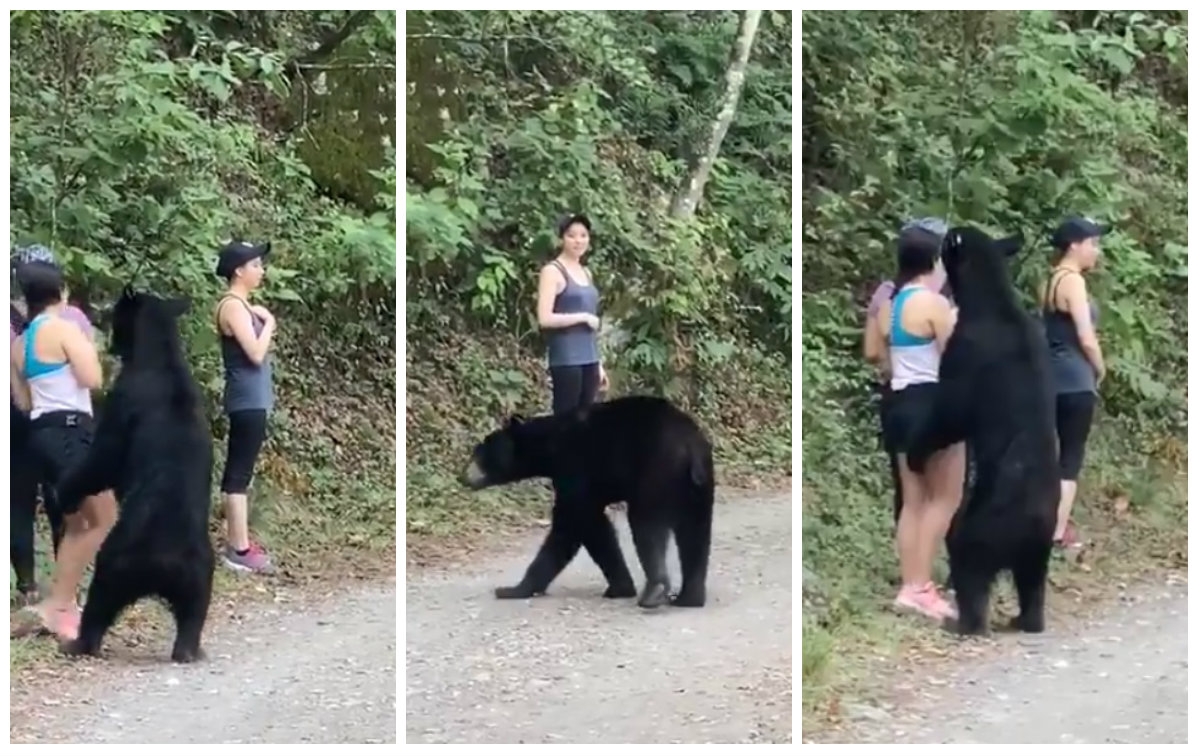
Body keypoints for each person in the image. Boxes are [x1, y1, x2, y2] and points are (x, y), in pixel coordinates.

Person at [10, 260, 117, 639]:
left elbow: (22, 401)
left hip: (42, 434)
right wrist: (86, 350)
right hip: (72, 431)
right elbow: (93, 378)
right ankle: (60, 606)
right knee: (103, 516)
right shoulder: (65, 329)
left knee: (76, 522)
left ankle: (63, 604)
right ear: (63, 293)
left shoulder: (20, 345)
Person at [875, 224, 964, 620]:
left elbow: (880, 357)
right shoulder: (934, 305)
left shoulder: (890, 306)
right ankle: (923, 586)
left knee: (913, 501)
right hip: (935, 403)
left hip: (899, 402)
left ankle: (910, 587)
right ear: (935, 261)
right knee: (945, 498)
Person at [9, 244, 94, 606]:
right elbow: (91, 374)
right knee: (74, 507)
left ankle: (29, 587)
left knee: (19, 501)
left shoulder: (17, 331)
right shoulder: (71, 321)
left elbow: (20, 393)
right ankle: (65, 593)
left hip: (24, 419)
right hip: (69, 422)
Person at [863, 218, 949, 527]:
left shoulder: (888, 294)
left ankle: (910, 566)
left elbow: (872, 351)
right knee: (948, 492)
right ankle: (948, 567)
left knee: (909, 493)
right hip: (939, 397)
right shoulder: (943, 296)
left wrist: (893, 362)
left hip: (896, 396)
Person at [1041, 216, 1107, 550]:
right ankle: (1056, 531)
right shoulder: (1075, 282)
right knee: (1070, 459)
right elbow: (1086, 336)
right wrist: (1100, 367)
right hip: (1076, 380)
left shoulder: (1050, 280)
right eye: (1092, 243)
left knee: (1048, 455)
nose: (1096, 251)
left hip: (1049, 378)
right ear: (1074, 245)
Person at [214, 240, 277, 573]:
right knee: (237, 475)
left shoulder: (243, 306)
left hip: (253, 399)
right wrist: (269, 325)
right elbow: (254, 353)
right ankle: (238, 549)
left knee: (242, 473)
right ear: (239, 270)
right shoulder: (233, 306)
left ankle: (240, 543)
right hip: (245, 399)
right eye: (255, 265)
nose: (261, 270)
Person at [535, 213, 609, 415]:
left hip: (589, 358)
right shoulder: (552, 271)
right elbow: (544, 318)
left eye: (583, 235)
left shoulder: (586, 272)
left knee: (588, 423)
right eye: (572, 235)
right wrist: (582, 318)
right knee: (566, 423)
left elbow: (593, 325)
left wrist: (599, 363)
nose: (578, 241)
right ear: (562, 238)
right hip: (567, 359)